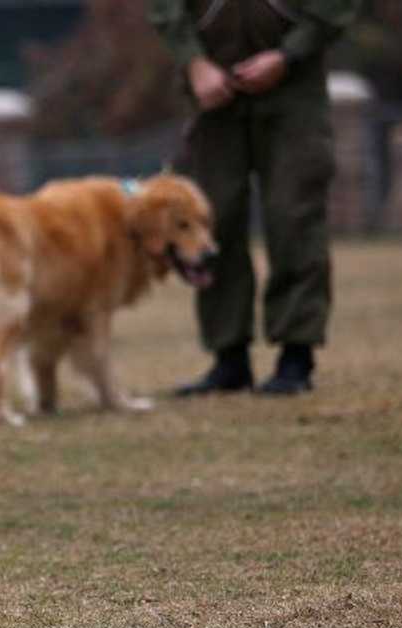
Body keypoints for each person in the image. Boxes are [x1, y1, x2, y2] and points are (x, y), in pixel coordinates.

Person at [150, 0, 361, 396]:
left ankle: (296, 358)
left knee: (294, 216)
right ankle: (228, 358)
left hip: (294, 89)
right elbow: (164, 7)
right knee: (211, 220)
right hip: (211, 88)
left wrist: (288, 54)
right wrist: (193, 62)